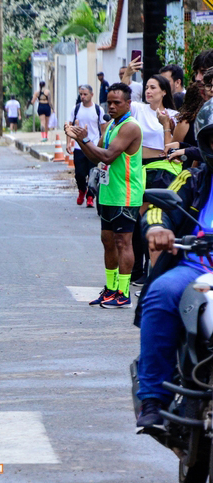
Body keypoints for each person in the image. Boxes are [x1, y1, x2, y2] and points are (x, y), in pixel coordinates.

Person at [137, 101, 213, 426]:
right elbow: (160, 208)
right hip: (197, 270)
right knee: (161, 293)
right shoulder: (193, 177)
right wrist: (158, 228)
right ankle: (153, 398)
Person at [65, 82, 142, 309]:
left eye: (117, 102)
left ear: (128, 104)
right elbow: (95, 156)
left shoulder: (130, 127)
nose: (112, 106)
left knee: (123, 242)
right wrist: (79, 139)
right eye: (109, 102)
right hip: (108, 193)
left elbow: (108, 156)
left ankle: (124, 292)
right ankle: (111, 288)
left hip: (125, 194)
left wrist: (85, 140)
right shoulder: (110, 126)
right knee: (107, 241)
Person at [130, 74, 180, 284]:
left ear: (164, 91)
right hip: (138, 169)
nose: (148, 91)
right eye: (146, 88)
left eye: (153, 88)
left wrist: (166, 124)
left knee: (151, 219)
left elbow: (171, 149)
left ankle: (151, 270)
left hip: (161, 171)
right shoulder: (138, 109)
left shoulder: (174, 115)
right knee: (137, 220)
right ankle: (139, 269)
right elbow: (120, 95)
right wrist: (127, 74)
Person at [67, 85, 103, 207]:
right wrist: (68, 143)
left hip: (93, 146)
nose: (82, 97)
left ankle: (90, 197)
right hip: (79, 146)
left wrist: (102, 145)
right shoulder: (76, 109)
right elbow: (69, 127)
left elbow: (103, 129)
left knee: (92, 173)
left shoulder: (98, 109)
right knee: (79, 174)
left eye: (85, 94)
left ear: (92, 95)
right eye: (81, 94)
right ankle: (82, 190)